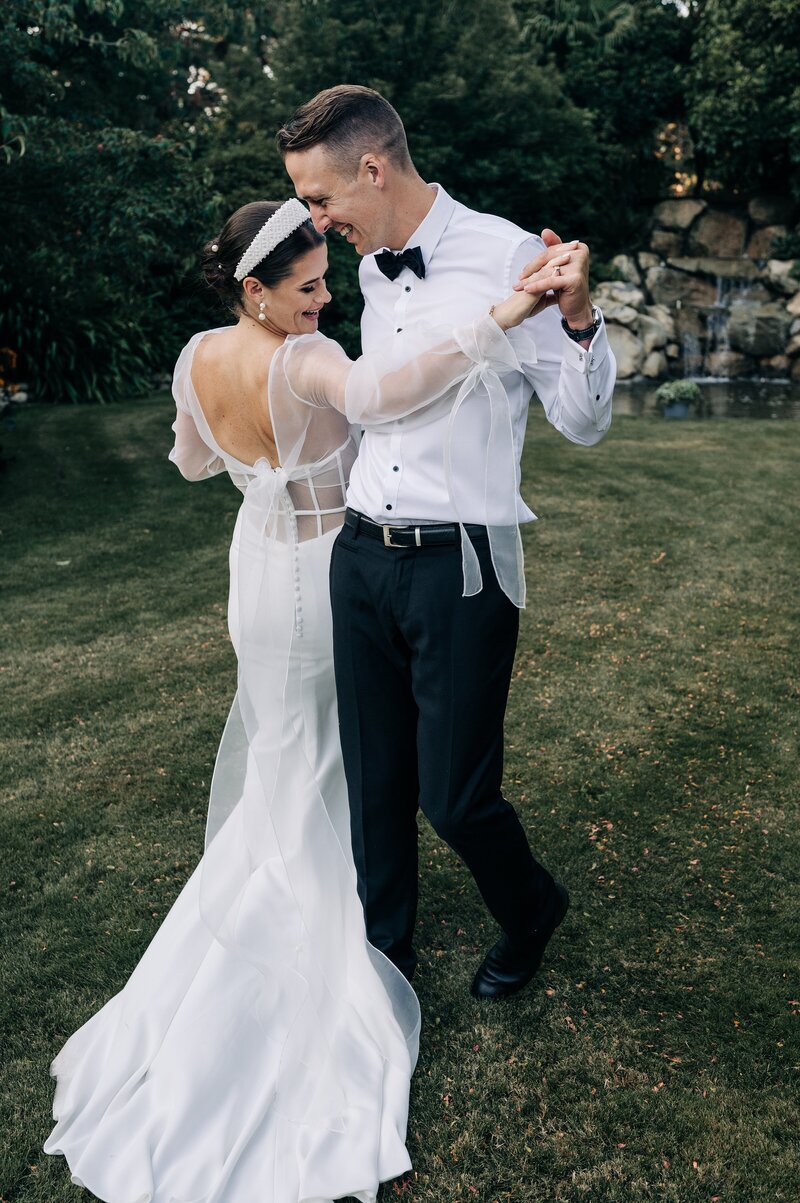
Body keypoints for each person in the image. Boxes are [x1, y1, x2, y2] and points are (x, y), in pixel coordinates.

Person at [43, 199, 563, 1202]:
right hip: (332, 571)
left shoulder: (196, 354)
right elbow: (384, 392)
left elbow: (193, 460)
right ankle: (338, 917)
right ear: (256, 288)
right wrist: (497, 318)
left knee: (294, 748)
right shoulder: (306, 362)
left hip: (253, 567)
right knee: (339, 751)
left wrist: (254, 460)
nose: (326, 300)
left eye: (328, 281)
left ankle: (336, 894)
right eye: (308, 287)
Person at [277, 85, 616, 1000]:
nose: (314, 221)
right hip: (362, 554)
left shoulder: (507, 257)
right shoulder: (365, 269)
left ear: (374, 170)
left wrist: (580, 320)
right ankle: (384, 961)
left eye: (320, 200)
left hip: (459, 564)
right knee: (375, 780)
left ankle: (532, 906)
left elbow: (583, 422)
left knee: (456, 797)